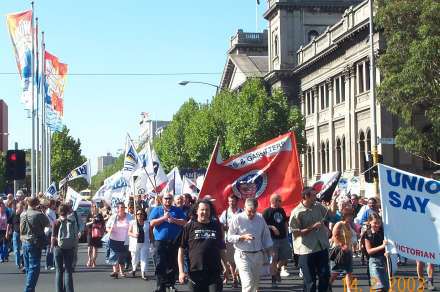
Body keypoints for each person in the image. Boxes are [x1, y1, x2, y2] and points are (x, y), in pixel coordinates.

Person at [289, 187, 337, 292]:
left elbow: (331, 214)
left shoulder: (318, 206)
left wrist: (334, 200)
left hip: (321, 247)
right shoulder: (297, 212)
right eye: (314, 195)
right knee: (310, 281)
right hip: (306, 250)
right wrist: (312, 227)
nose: (316, 197)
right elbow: (296, 233)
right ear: (306, 196)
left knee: (324, 276)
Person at [178, 199, 227, 292]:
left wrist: (226, 266)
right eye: (202, 210)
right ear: (196, 211)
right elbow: (181, 249)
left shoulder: (216, 226)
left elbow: (221, 248)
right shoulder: (189, 226)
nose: (205, 212)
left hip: (214, 271)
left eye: (207, 210)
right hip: (196, 271)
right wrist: (181, 271)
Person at [228, 198, 273, 292]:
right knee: (248, 284)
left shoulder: (260, 218)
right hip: (242, 255)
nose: (252, 214)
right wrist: (241, 237)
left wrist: (271, 253)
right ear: (244, 207)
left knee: (255, 285)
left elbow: (266, 236)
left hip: (257, 255)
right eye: (249, 211)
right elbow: (229, 237)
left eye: (254, 211)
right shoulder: (237, 218)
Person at [149, 193, 187, 292]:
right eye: (166, 198)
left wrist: (173, 220)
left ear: (172, 199)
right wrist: (163, 218)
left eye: (170, 198)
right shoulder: (157, 209)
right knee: (160, 263)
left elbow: (184, 222)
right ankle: (160, 285)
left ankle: (171, 284)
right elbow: (151, 223)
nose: (167, 200)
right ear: (163, 199)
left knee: (172, 264)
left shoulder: (177, 210)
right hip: (160, 241)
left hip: (174, 241)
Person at [20, 197, 50, 292]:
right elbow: (48, 223)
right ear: (36, 204)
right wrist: (41, 211)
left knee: (29, 268)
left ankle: (31, 289)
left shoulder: (23, 214)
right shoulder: (38, 214)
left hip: (24, 241)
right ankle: (28, 289)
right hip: (34, 242)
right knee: (34, 268)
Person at [262, 193, 291, 287]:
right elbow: (262, 225)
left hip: (283, 238)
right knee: (274, 259)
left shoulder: (281, 210)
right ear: (274, 201)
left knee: (285, 258)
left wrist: (287, 233)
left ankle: (278, 270)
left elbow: (285, 222)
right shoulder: (267, 212)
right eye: (279, 200)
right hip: (272, 239)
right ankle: (273, 279)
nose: (281, 202)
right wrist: (272, 227)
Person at [52, 203, 78, 292]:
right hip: (70, 247)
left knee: (59, 271)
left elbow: (53, 237)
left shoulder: (56, 222)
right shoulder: (71, 222)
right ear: (67, 212)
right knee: (68, 271)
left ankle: (59, 290)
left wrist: (52, 247)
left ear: (59, 212)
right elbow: (75, 236)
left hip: (58, 248)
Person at [329, 198, 354, 291]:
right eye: (349, 215)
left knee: (349, 271)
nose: (351, 217)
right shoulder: (339, 224)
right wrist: (342, 245)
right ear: (345, 216)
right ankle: (327, 285)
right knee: (335, 272)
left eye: (351, 215)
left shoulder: (349, 225)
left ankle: (349, 289)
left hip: (348, 251)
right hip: (339, 251)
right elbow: (334, 236)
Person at [219, 194, 242, 287]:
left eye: (233, 201)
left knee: (239, 261)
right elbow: (221, 225)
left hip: (240, 240)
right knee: (231, 261)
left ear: (237, 201)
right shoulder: (225, 213)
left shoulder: (242, 212)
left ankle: (238, 275)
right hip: (229, 240)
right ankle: (234, 279)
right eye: (229, 201)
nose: (231, 203)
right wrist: (227, 228)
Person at [364, 212, 389, 292]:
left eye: (379, 223)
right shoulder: (367, 234)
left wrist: (387, 251)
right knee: (378, 288)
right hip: (374, 262)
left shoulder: (384, 231)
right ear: (369, 222)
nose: (377, 225)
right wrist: (382, 246)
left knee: (385, 288)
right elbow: (369, 251)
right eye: (375, 223)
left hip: (384, 261)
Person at [106, 202, 130, 278]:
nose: (123, 209)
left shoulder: (129, 216)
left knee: (122, 256)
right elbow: (107, 227)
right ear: (118, 208)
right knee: (114, 255)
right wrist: (109, 230)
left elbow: (133, 225)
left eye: (124, 207)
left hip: (125, 240)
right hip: (114, 239)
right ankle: (115, 271)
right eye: (121, 207)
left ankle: (122, 271)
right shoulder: (113, 217)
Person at [128, 208, 150, 279]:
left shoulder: (147, 223)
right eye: (138, 214)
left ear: (144, 215)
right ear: (136, 215)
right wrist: (134, 235)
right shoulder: (133, 222)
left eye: (141, 214)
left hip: (144, 242)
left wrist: (152, 242)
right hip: (135, 243)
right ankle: (134, 269)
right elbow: (129, 232)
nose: (139, 215)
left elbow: (151, 233)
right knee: (135, 257)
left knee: (144, 257)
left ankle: (143, 272)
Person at [7, 201, 24, 269]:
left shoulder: (23, 215)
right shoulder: (13, 214)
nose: (22, 209)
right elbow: (9, 224)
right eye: (20, 207)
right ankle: (18, 264)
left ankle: (22, 261)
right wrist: (7, 232)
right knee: (16, 249)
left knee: (23, 249)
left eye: (22, 207)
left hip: (23, 234)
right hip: (16, 233)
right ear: (17, 208)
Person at [45, 200, 57, 270]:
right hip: (50, 230)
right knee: (50, 247)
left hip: (48, 230)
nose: (55, 206)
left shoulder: (49, 211)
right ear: (51, 204)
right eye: (54, 204)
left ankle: (49, 264)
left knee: (50, 247)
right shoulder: (50, 212)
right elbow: (51, 222)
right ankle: (49, 264)